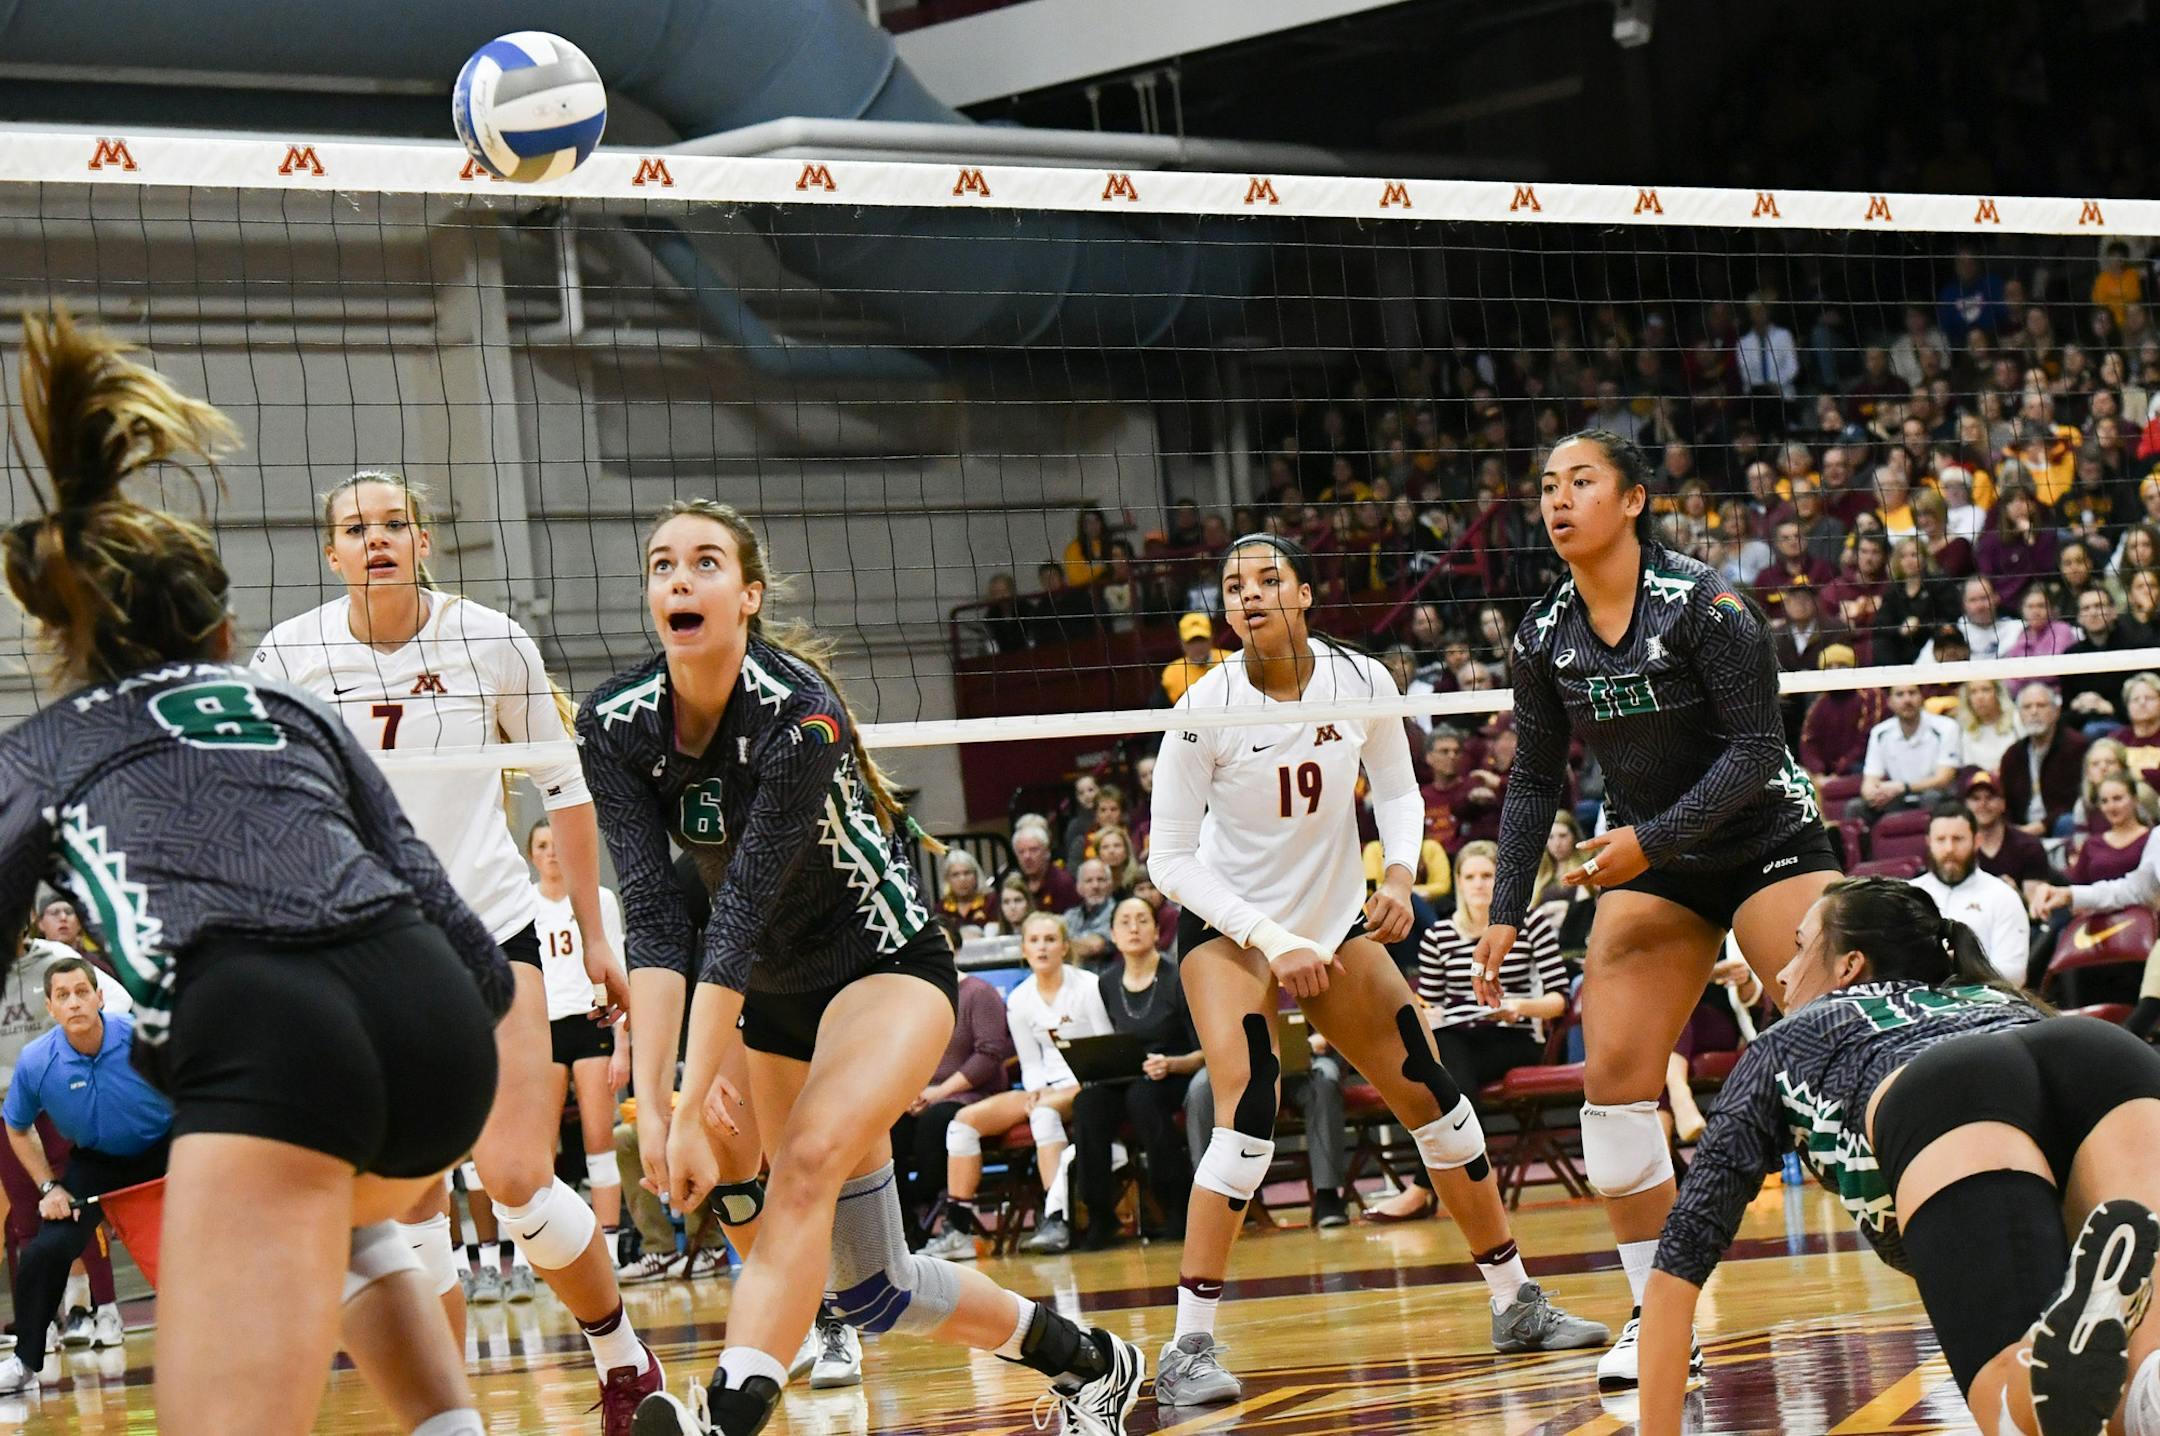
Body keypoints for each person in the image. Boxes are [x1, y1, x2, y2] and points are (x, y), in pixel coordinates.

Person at [0, 308, 513, 1433]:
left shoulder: (38, 750)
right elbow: (470, 942)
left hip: (268, 1027)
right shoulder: (291, 703)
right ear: (224, 634)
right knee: (340, 1204)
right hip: (441, 1027)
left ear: (66, 638)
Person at [581, 501, 1144, 1436]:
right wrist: (664, 1094)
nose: (679, 579)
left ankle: (723, 1421)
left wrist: (687, 1104)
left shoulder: (798, 714)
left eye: (706, 562)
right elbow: (652, 913)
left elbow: (738, 912)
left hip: (882, 969)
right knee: (876, 1286)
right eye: (661, 565)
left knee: (801, 1166)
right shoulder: (615, 723)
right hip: (771, 994)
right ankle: (1094, 1363)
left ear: (749, 594)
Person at [1148, 530, 1605, 1410]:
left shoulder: (1361, 679)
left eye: (1267, 580)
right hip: (1230, 925)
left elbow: (1397, 791)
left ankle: (1516, 1303)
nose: (1248, 596)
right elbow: (1169, 859)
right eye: (1233, 586)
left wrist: (1397, 873)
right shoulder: (1202, 706)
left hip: (1332, 915)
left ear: (1306, 593)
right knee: (1246, 1108)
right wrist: (1270, 939)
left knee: (1431, 1089)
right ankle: (1188, 1348)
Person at [251, 469, 649, 1408]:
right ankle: (449, 1416)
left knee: (514, 1175)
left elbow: (568, 790)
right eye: (357, 528)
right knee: (410, 1203)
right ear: (332, 552)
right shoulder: (288, 654)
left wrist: (595, 934)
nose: (377, 539)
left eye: (396, 524)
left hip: (491, 930)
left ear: (423, 542)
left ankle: (623, 1359)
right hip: (370, 952)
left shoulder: (490, 639)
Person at [1481, 428, 1845, 1389]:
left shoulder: (1708, 605)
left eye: (1581, 482)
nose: (1558, 501)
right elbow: (1531, 779)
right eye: (1547, 485)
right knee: (1612, 1089)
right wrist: (1505, 908)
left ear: (1634, 498)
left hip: (1765, 838)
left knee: (1839, 1044)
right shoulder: (1542, 633)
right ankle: (1658, 1318)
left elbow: (1759, 751)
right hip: (1658, 861)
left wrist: (1647, 840)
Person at [1638, 879, 2160, 1436]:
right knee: (2145, 1375)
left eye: (1799, 948)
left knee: (2016, 1407)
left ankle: (2031, 1378)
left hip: (1951, 1086)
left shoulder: (1790, 1037)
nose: (1784, 973)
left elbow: (1678, 1260)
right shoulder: (1997, 994)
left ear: (1849, 966)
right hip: (2100, 1053)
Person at [1365, 842, 1571, 1221]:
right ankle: (1464, 1185)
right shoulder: (1438, 936)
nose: (1478, 885)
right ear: (1457, 882)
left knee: (1443, 1074)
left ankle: (1425, 1190)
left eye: (1488, 876)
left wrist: (1518, 1007)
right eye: (1470, 877)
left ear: (1503, 881)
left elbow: (1560, 1000)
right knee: (1444, 1059)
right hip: (1457, 1038)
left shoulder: (1531, 924)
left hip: (1515, 1037)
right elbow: (1429, 1006)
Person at [0, 957, 171, 1391]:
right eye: (63, 996)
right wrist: (48, 1185)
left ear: (99, 997)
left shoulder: (142, 1039)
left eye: (81, 992)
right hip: (97, 1164)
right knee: (43, 1252)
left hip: (167, 1150)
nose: (74, 1003)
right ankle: (25, 1363)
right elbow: (16, 1128)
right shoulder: (36, 1062)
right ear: (51, 1009)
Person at [927, 912, 1101, 1261]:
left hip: (1087, 1081)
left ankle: (1056, 1218)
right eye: (1034, 940)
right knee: (962, 1123)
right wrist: (1037, 1089)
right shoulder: (1020, 998)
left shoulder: (1088, 985)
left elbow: (1106, 1043)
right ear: (1023, 948)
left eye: (1050, 940)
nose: (1042, 947)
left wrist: (1051, 1095)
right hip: (1044, 1086)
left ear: (1065, 947)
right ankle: (959, 1228)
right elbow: (1030, 1060)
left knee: (1043, 1115)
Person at [0, 907, 131, 1350]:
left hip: (59, 1095)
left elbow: (117, 1001)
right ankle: (42, 1324)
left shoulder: (54, 958)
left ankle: (103, 1311)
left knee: (80, 1203)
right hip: (8, 1106)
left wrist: (79, 1046)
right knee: (24, 1219)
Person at [525, 817, 628, 1288]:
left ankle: (607, 1249)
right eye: (541, 846)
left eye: (555, 844)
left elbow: (618, 968)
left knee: (598, 1141)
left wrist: (623, 1043)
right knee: (539, 1151)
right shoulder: (522, 904)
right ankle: (545, 1255)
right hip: (542, 1029)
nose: (550, 854)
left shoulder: (598, 900)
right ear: (531, 856)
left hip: (592, 1023)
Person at [1069, 900, 1201, 1251]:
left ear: (1157, 931)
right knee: (1087, 1103)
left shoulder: (1180, 977)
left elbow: (1206, 1050)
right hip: (1126, 1076)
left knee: (1144, 1097)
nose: (1133, 927)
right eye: (1124, 921)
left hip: (1175, 1073)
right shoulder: (1105, 983)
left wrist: (1172, 1064)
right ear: (1112, 934)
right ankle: (1100, 1214)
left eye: (1142, 920)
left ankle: (1176, 1205)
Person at [891, 974, 1014, 1251]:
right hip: (920, 1096)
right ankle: (901, 1227)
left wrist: (940, 1091)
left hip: (973, 1095)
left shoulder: (979, 993)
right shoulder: (908, 994)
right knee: (887, 1129)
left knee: (935, 1123)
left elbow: (989, 1055)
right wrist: (906, 1092)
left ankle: (927, 1204)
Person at [1910, 804, 2033, 987]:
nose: (1949, 848)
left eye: (1958, 839)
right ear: (1929, 842)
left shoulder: (2003, 896)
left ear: (1977, 841)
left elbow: (2014, 974)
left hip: (1983, 1005)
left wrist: (1956, 969)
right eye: (1941, 839)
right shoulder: (1909, 895)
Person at [1853, 685, 1963, 825]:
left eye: (1912, 693)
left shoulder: (1946, 727)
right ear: (1890, 702)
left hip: (1936, 794)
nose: (1907, 699)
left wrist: (1904, 787)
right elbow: (1869, 783)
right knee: (1856, 808)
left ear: (1922, 697)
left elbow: (1944, 778)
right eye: (1900, 694)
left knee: (1931, 798)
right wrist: (1874, 795)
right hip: (1898, 796)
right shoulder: (1880, 732)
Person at [2003, 684, 2091, 838]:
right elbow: (2006, 804)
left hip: (2060, 828)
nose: (2034, 712)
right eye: (2027, 707)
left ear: (2056, 711)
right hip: (2022, 832)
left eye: (2041, 705)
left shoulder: (2077, 746)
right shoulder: (2012, 755)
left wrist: (2042, 825)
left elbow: (2076, 800)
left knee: (2067, 821)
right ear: (2020, 715)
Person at [1957, 679, 2025, 777]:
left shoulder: (2016, 720)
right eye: (1973, 692)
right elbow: (1969, 769)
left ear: (1998, 694)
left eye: (1985, 690)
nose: (1980, 697)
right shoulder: (1965, 728)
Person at [1159, 612, 1228, 706]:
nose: (1198, 647)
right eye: (1192, 641)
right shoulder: (1172, 673)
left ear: (1211, 639)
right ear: (1182, 643)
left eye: (1202, 640)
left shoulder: (1229, 661)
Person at [936, 850, 993, 933]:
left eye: (967, 873)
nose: (962, 879)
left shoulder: (991, 902)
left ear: (976, 876)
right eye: (955, 875)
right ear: (947, 880)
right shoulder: (941, 909)